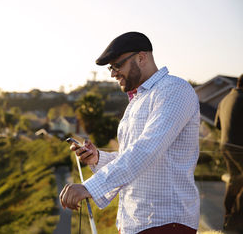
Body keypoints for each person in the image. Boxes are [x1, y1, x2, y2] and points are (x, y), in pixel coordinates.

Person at [59, 32, 200, 234]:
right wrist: (98, 159)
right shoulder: (138, 100)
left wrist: (89, 187)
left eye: (117, 65)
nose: (112, 73)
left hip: (165, 222)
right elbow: (133, 156)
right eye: (111, 68)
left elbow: (146, 151)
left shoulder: (174, 90)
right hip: (135, 222)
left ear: (141, 58)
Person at [214, 74, 243, 231]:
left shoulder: (225, 99)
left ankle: (228, 216)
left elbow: (218, 125)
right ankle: (235, 221)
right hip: (240, 149)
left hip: (225, 146)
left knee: (234, 181)